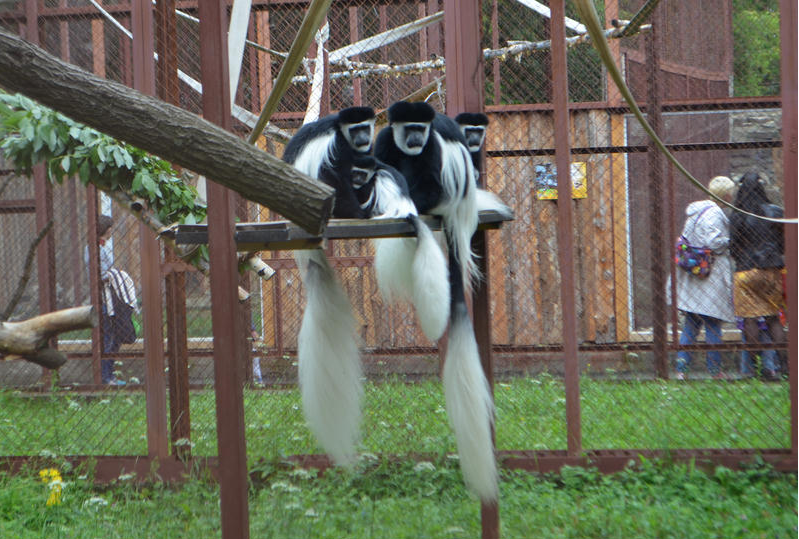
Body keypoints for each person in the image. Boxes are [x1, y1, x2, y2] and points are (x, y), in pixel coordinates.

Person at [672, 176, 737, 380]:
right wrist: (733, 239)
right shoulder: (715, 213)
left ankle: (681, 369)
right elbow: (713, 242)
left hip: (696, 272)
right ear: (726, 195)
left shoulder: (696, 211)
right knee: (713, 323)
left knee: (691, 323)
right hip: (710, 276)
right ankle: (714, 371)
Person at [730, 171, 786, 381]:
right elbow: (783, 242)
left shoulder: (737, 214)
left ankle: (754, 369)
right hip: (770, 269)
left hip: (745, 271)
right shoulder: (775, 212)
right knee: (773, 318)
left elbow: (733, 245)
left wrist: (742, 257)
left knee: (750, 319)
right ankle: (784, 366)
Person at [84, 214, 126, 386]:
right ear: (106, 230)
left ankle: (109, 375)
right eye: (110, 229)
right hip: (104, 298)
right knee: (109, 336)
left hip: (109, 297)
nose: (111, 232)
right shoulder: (94, 248)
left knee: (113, 336)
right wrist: (115, 276)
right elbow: (99, 274)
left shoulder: (100, 247)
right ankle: (106, 377)